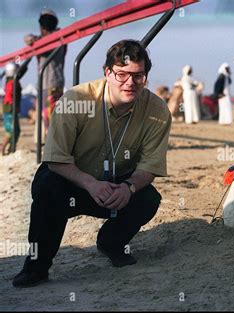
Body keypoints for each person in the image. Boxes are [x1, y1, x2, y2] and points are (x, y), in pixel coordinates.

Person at [12, 40, 171, 288]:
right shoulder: (76, 99)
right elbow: (56, 159)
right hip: (72, 180)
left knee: (148, 199)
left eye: (138, 76)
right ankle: (36, 267)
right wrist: (90, 184)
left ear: (145, 77)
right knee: (47, 187)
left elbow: (150, 166)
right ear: (107, 72)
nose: (130, 83)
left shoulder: (157, 110)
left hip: (117, 184)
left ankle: (111, 242)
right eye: (122, 74)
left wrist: (128, 187)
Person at [24, 9, 67, 137]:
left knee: (50, 118)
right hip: (51, 83)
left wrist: (34, 39)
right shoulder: (60, 37)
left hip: (49, 84)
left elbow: (28, 39)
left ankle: (53, 149)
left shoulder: (54, 40)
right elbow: (27, 38)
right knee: (50, 117)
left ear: (42, 27)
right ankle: (52, 147)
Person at [2, 62, 23, 155]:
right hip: (10, 108)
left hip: (11, 108)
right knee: (11, 131)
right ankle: (3, 149)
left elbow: (21, 73)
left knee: (17, 131)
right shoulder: (11, 82)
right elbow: (10, 93)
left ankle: (11, 148)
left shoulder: (12, 80)